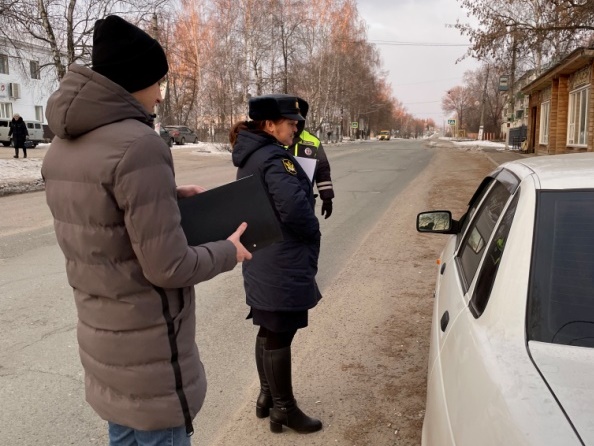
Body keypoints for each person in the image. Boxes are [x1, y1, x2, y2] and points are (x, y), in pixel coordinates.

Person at [41, 15, 251, 446]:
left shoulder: (63, 146)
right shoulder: (139, 144)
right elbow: (169, 266)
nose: (159, 93)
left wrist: (164, 196)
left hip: (107, 344)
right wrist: (229, 251)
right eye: (157, 82)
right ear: (134, 79)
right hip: (150, 355)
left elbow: (101, 217)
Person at [229, 94, 323, 434]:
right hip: (281, 258)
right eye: (291, 121)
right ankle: (284, 408)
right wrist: (313, 232)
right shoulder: (273, 158)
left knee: (269, 329)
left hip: (264, 256)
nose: (297, 127)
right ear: (269, 124)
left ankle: (268, 395)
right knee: (279, 332)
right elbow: (296, 211)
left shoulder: (252, 156)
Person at [287, 98, 335, 219]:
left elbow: (323, 171)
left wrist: (327, 198)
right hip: (279, 202)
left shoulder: (312, 141)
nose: (295, 124)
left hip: (305, 201)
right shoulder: (277, 138)